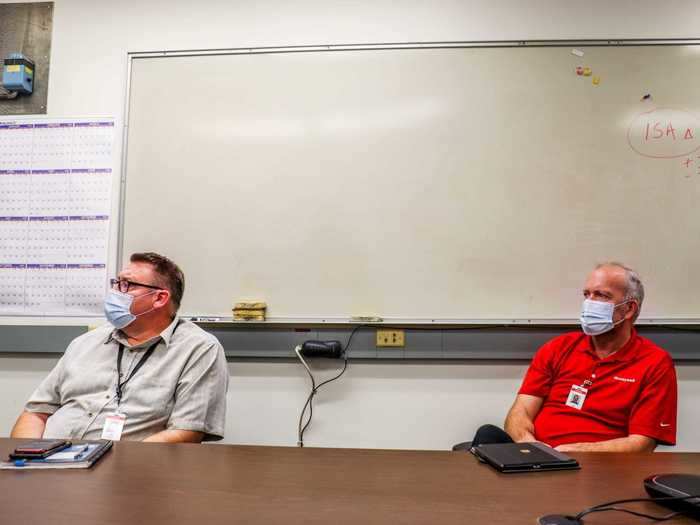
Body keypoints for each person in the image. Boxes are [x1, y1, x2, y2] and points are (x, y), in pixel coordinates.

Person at [11, 252, 228, 443]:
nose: (115, 292)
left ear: (159, 298)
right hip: (48, 465)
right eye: (117, 283)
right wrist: (29, 457)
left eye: (127, 285)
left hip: (129, 473)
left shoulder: (198, 349)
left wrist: (113, 465)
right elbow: (35, 413)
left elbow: (187, 432)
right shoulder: (85, 343)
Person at [499, 262, 677, 452]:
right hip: (538, 457)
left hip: (602, 468)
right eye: (586, 294)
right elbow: (521, 411)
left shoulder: (655, 363)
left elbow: (642, 444)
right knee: (487, 436)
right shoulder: (558, 348)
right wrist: (530, 445)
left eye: (601, 295)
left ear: (629, 309)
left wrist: (575, 452)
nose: (589, 303)